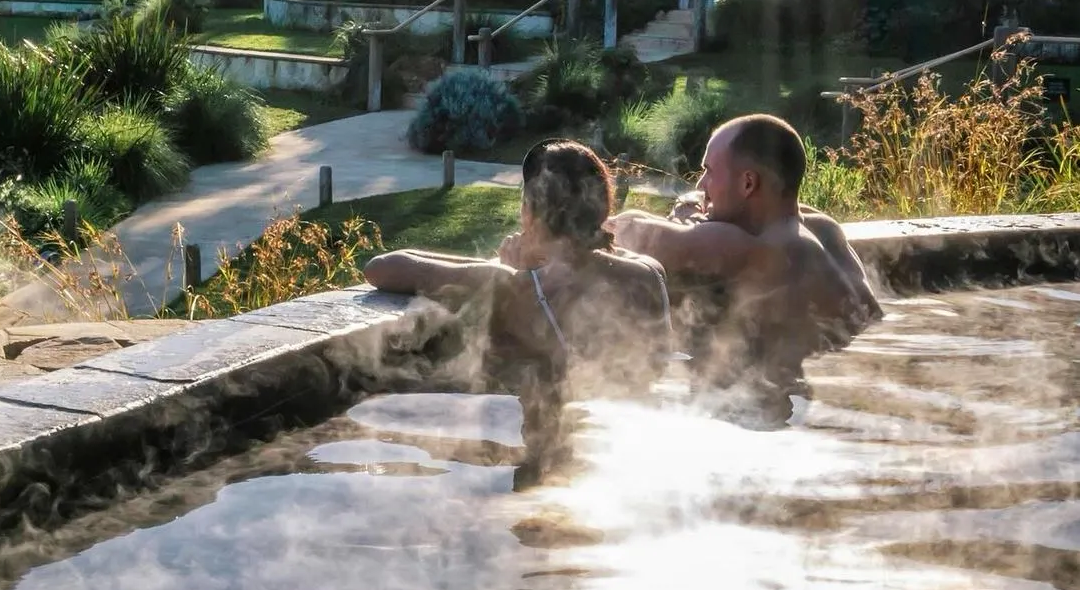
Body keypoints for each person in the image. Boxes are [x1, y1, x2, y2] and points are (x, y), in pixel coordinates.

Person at [608, 115, 880, 410]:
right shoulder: (822, 228)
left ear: (748, 182)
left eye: (709, 172)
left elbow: (630, 231)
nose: (701, 183)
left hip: (831, 391)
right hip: (861, 364)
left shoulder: (762, 248)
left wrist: (685, 211)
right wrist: (702, 210)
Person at [364, 140, 674, 396]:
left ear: (531, 214)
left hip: (561, 436)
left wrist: (505, 269)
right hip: (638, 428)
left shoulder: (520, 285)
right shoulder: (649, 271)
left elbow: (383, 267)